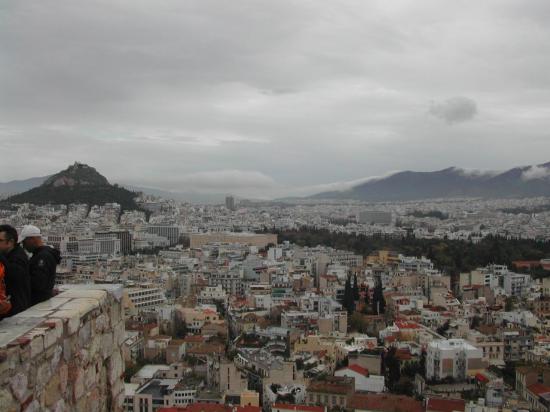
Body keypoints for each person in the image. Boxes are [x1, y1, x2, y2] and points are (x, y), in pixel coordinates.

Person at [19, 225, 61, 305]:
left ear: (32, 239)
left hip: (38, 301)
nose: (24, 246)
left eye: (24, 242)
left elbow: (38, 283)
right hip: (43, 299)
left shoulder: (42, 256)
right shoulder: (43, 254)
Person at [0, 224, 31, 317]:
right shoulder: (10, 254)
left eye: (0, 241)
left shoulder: (19, 257)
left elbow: (15, 275)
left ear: (10, 242)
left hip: (15, 310)